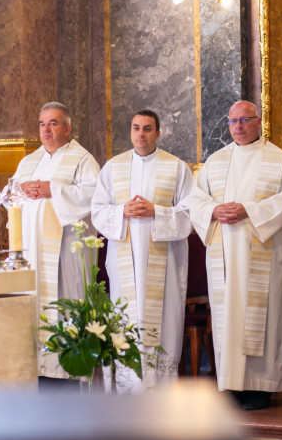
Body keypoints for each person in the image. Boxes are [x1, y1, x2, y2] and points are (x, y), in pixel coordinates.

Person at [184, 100, 282, 410]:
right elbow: (195, 200)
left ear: (258, 122)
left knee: (261, 316)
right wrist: (213, 210)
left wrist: (249, 210)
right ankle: (233, 385)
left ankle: (261, 389)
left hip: (261, 251)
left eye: (245, 120)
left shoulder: (280, 160)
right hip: (224, 254)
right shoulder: (216, 161)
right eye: (233, 121)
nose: (238, 126)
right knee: (228, 317)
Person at [91, 109, 193, 392]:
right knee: (126, 317)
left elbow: (190, 212)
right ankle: (129, 388)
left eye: (147, 129)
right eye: (136, 128)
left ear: (158, 133)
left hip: (164, 263)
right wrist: (122, 211)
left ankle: (160, 389)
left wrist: (156, 211)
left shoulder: (177, 168)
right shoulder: (113, 167)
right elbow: (97, 210)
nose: (141, 134)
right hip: (125, 260)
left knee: (163, 319)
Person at [14, 102, 100, 381]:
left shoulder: (82, 159)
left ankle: (71, 372)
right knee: (37, 299)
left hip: (68, 249)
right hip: (33, 250)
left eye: (53, 123)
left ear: (67, 128)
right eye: (42, 124)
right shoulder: (28, 162)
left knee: (67, 299)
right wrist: (21, 190)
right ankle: (39, 370)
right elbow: (9, 196)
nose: (46, 130)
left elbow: (95, 195)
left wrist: (54, 190)